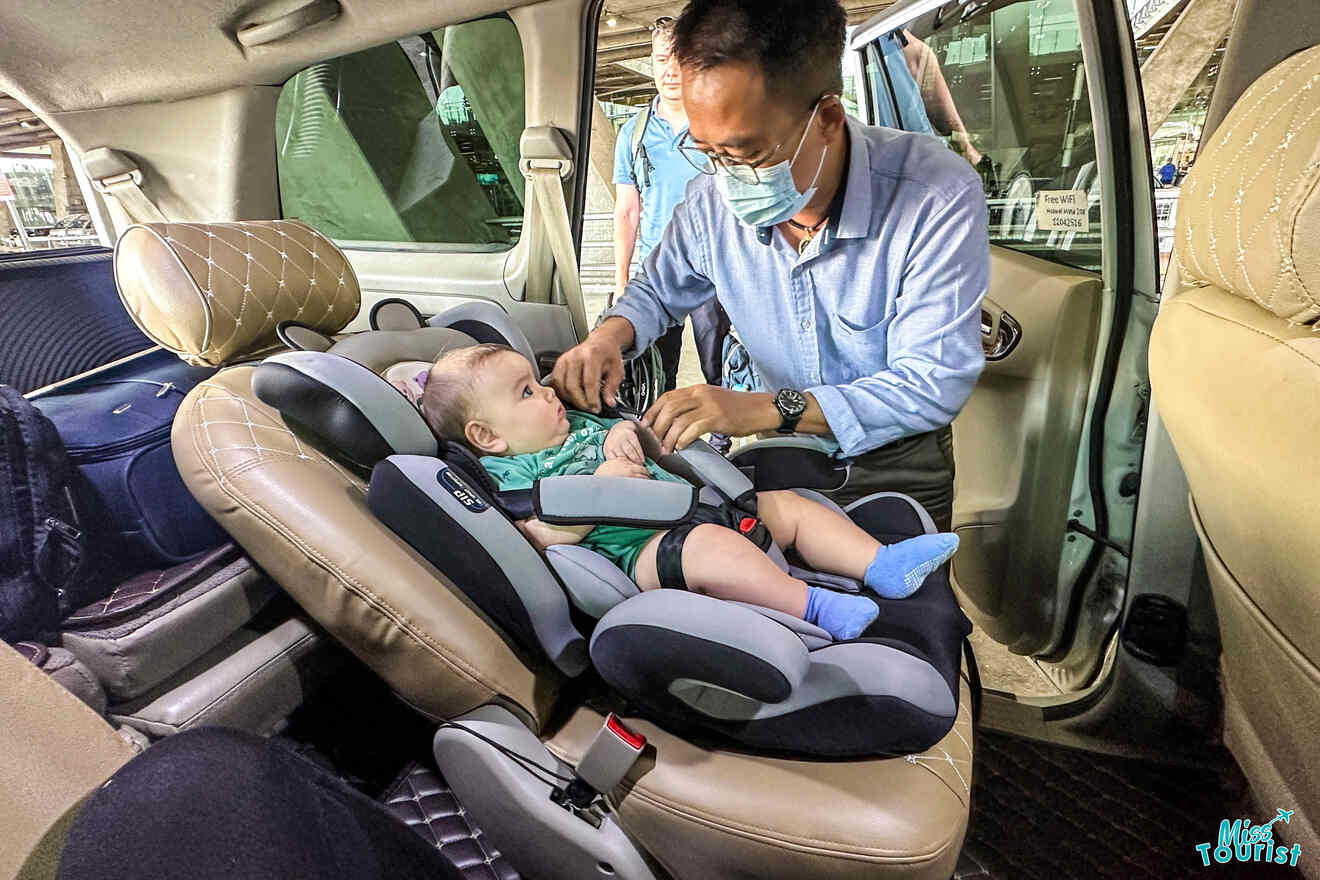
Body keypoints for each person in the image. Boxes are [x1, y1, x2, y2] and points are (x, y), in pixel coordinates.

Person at [553, 0, 990, 531]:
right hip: (783, 455)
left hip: (896, 462)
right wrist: (608, 338)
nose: (726, 178)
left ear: (827, 119)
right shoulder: (709, 203)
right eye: (707, 153)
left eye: (746, 155)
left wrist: (760, 407)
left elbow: (929, 383)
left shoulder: (933, 196)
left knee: (913, 605)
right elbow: (659, 292)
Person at [421, 345, 960, 642]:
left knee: (786, 504)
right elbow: (531, 538)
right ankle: (817, 607)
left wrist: (620, 432)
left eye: (538, 382)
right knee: (713, 550)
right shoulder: (515, 475)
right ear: (487, 437)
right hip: (639, 553)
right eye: (526, 394)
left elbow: (621, 431)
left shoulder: (575, 424)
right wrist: (594, 493)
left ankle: (880, 563)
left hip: (700, 507)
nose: (548, 392)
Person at [612, 16, 732, 445]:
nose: (670, 70)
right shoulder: (634, 134)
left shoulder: (719, 125)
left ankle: (720, 440)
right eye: (662, 59)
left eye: (680, 60)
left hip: (711, 270)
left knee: (715, 361)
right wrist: (623, 279)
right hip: (656, 271)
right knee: (655, 368)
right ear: (651, 62)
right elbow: (627, 211)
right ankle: (659, 442)